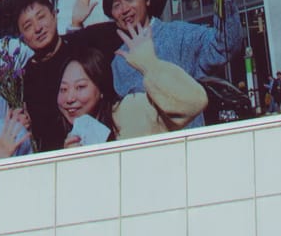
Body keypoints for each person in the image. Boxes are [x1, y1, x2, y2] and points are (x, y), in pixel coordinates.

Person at [16, 0, 171, 151]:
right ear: (22, 38)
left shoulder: (85, 39)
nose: (38, 28)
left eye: (41, 17)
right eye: (28, 26)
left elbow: (137, 23)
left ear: (55, 14)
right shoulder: (26, 77)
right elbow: (38, 133)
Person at [101, 0, 253, 108]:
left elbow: (224, 47)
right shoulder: (118, 62)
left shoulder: (178, 35)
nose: (124, 9)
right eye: (116, 5)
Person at [54, 22, 206, 147]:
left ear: (101, 88)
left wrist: (149, 64)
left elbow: (194, 102)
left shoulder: (131, 111)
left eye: (80, 87)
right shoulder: (71, 138)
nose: (69, 98)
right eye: (63, 89)